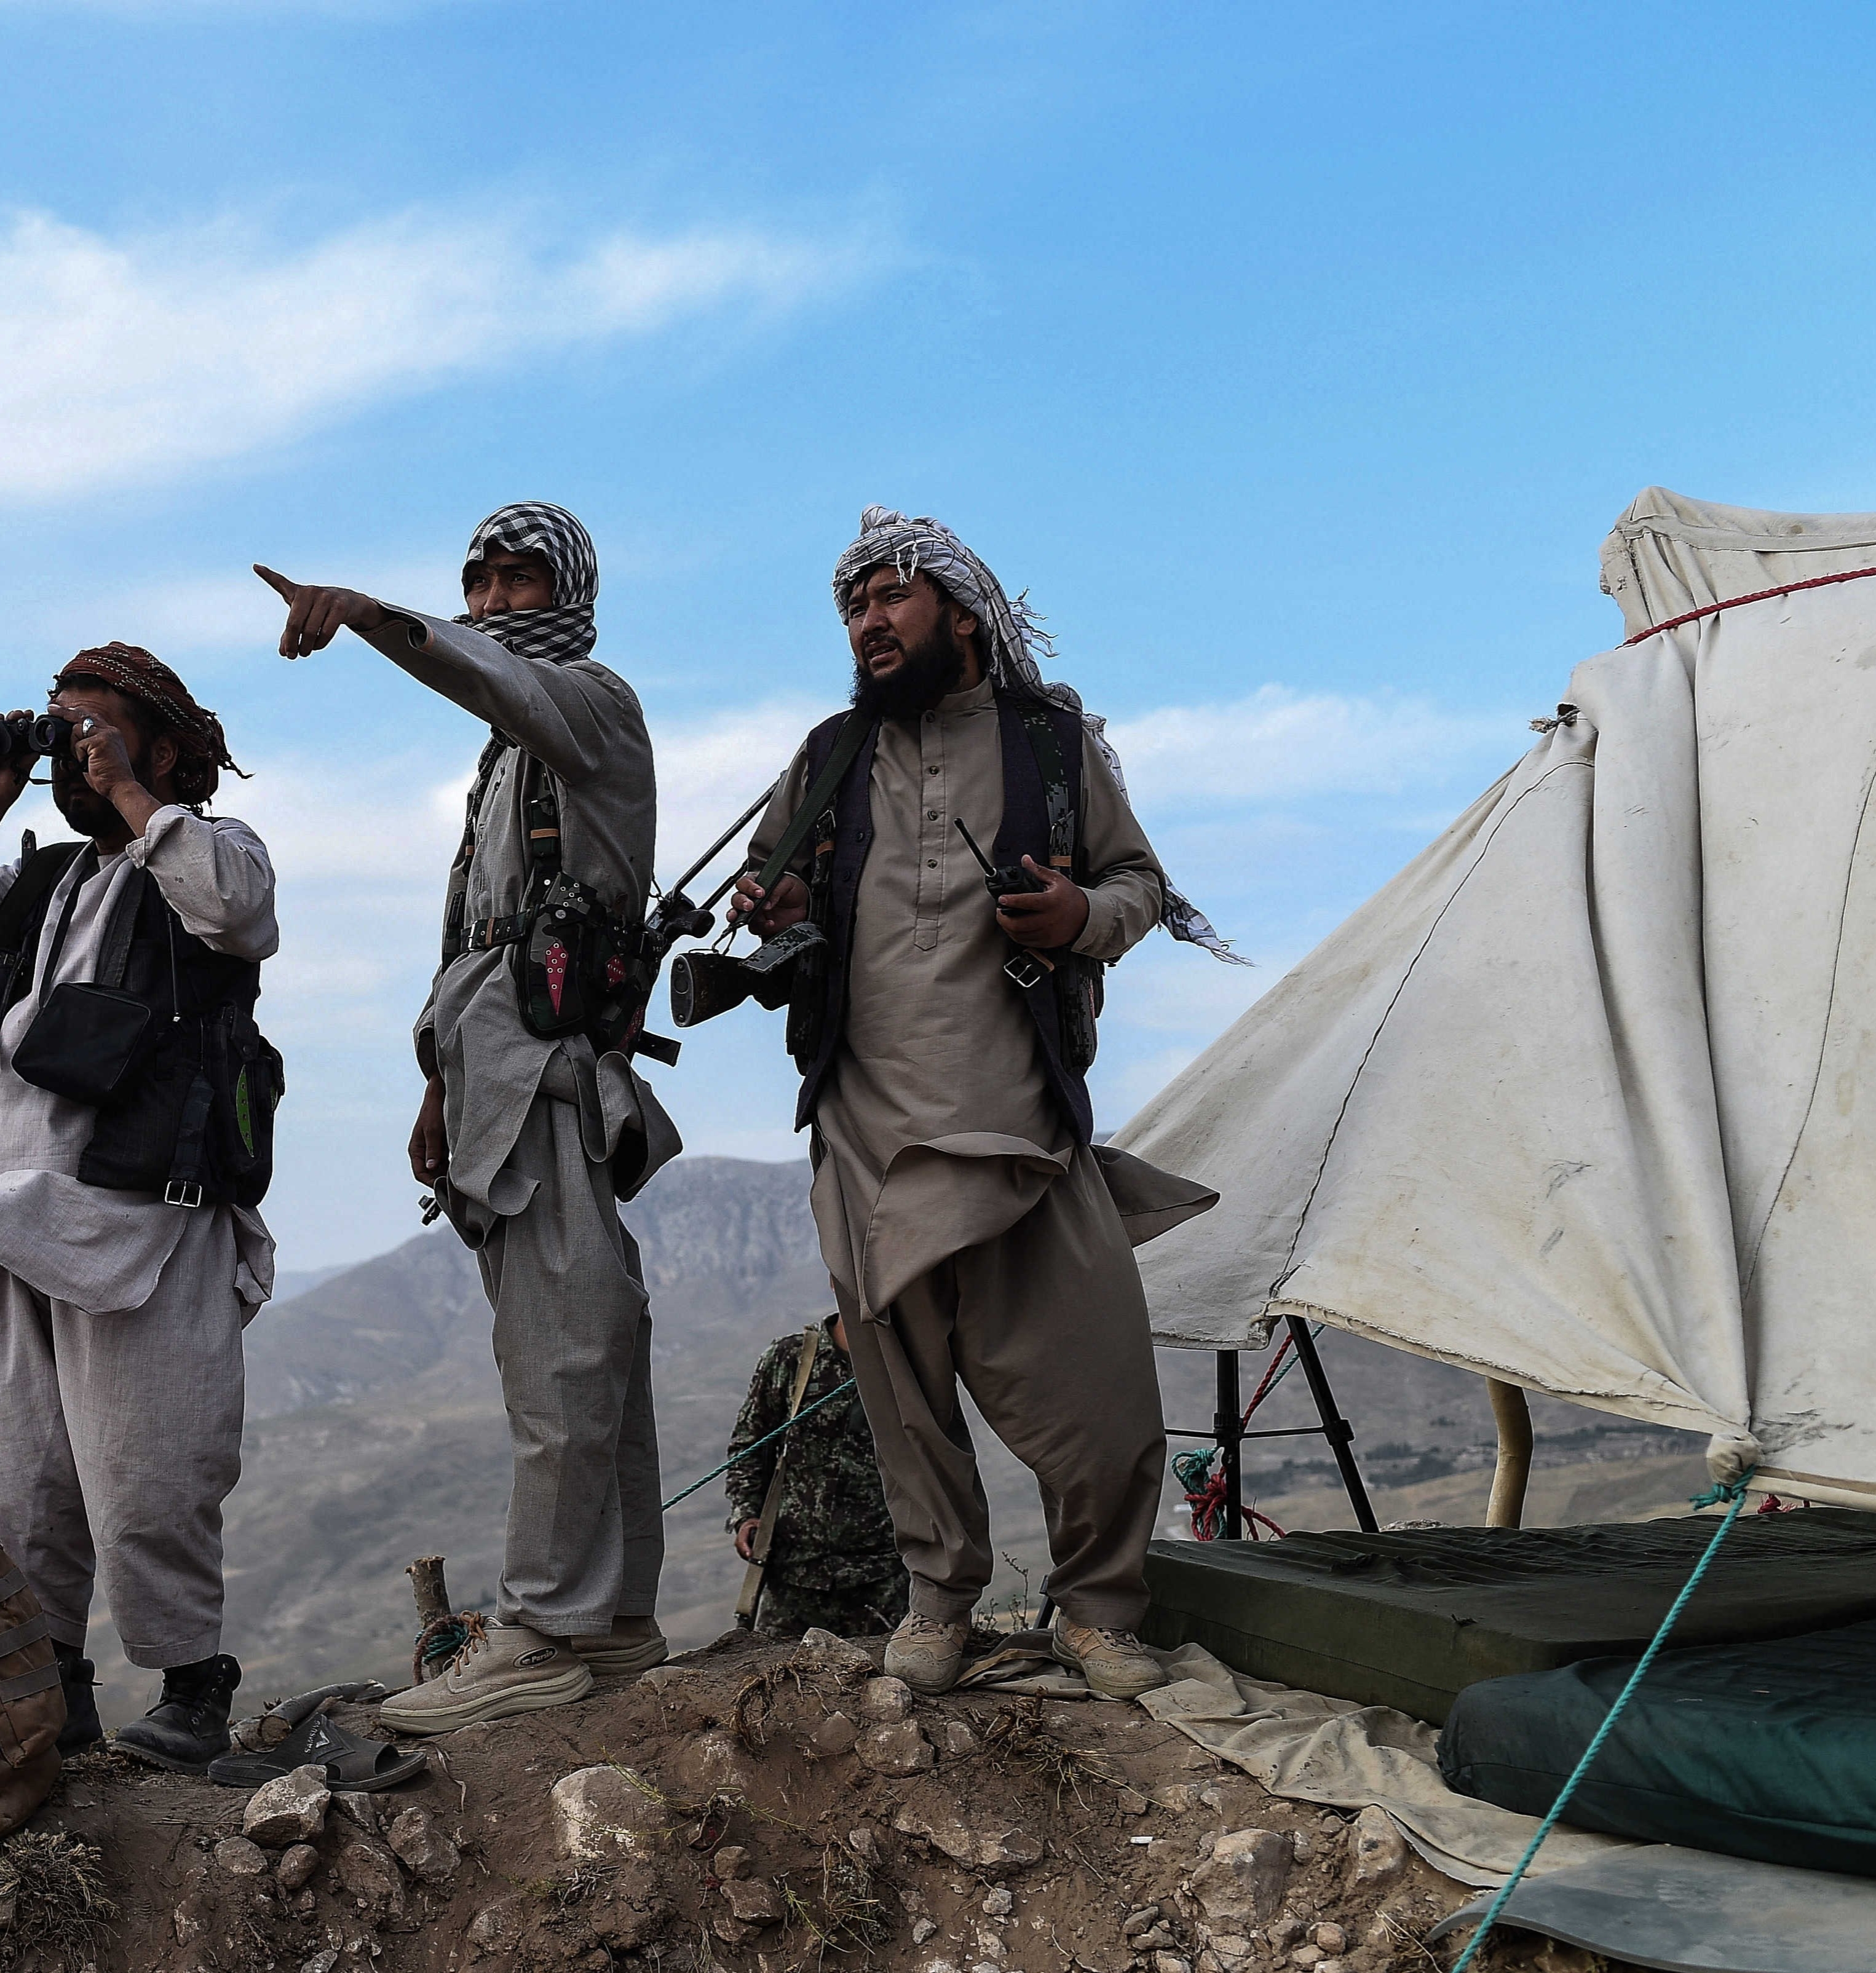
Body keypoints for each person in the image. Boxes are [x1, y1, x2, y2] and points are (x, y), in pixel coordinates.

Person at [729, 507, 1230, 1701]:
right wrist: (777, 901)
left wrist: (1079, 917)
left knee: (1103, 1385)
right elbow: (776, 891)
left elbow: (1140, 882)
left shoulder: (1052, 745)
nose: (869, 621)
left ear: (958, 609)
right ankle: (939, 1599)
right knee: (902, 1397)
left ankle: (1099, 1610)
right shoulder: (828, 756)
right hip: (863, 1120)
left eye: (891, 596)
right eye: (854, 605)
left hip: (1019, 1117)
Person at [258, 503, 680, 1733]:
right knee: (577, 1339)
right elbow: (480, 936)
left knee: (567, 1347)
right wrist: (440, 1081)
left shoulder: (588, 703)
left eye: (520, 578)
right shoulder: (506, 759)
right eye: (478, 581)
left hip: (551, 1084)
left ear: (571, 588)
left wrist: (378, 618)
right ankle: (614, 1626)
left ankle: (546, 1626)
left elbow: (489, 673)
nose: (495, 599)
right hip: (495, 1083)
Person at [0, 643, 279, 1771]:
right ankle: (55, 1689)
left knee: (151, 1468)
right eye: (61, 729)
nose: (73, 750)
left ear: (159, 744)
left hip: (143, 1214)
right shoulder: (50, 882)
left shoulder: (208, 850)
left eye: (92, 729)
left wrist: (128, 793)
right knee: (32, 1479)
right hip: (15, 1215)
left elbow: (239, 912)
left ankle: (195, 1688)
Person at [724, 1315, 909, 1640]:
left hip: (884, 1575)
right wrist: (746, 1515)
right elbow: (751, 1445)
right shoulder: (792, 1357)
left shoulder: (908, 1361)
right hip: (793, 1575)